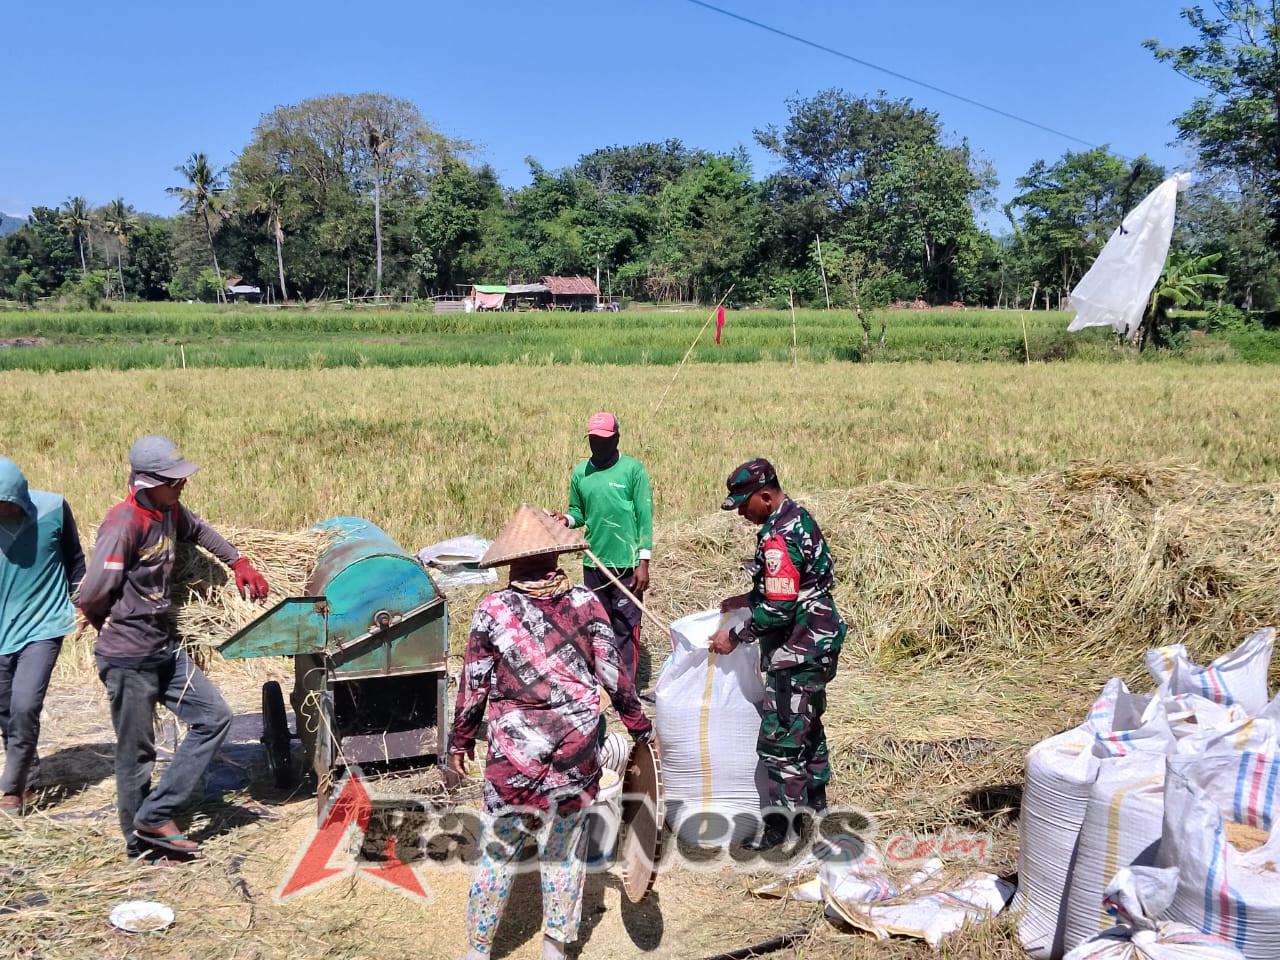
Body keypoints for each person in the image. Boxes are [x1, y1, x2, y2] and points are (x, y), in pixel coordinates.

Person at [448, 504, 653, 960]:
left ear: (513, 562)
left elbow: (473, 685)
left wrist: (459, 742)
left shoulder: (493, 611)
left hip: (513, 757)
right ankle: (554, 948)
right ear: (556, 555)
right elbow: (615, 677)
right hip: (574, 752)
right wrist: (640, 729)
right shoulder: (586, 603)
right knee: (563, 850)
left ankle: (479, 950)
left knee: (498, 850)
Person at [76, 435, 269, 859]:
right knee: (136, 752)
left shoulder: (169, 511)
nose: (182, 484)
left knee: (215, 717)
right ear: (147, 482)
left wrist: (238, 561)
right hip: (128, 657)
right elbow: (92, 592)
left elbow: (199, 531)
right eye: (173, 480)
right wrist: (103, 621)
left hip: (164, 647)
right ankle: (140, 845)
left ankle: (155, 814)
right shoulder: (123, 525)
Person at [709, 458, 846, 851]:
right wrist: (747, 598)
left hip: (797, 653)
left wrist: (735, 637)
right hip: (819, 644)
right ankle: (816, 812)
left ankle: (782, 833)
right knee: (808, 730)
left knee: (781, 742)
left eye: (744, 504)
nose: (740, 513)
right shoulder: (798, 518)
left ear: (766, 497)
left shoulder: (777, 538)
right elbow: (796, 585)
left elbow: (779, 609)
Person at [0, 458, 86, 815]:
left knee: (24, 705)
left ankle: (11, 790)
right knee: (5, 708)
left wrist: (82, 606)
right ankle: (29, 777)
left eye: (6, 503)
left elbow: (75, 562)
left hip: (44, 624)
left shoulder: (53, 508)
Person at [551, 412, 654, 683]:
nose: (598, 445)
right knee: (598, 629)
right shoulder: (580, 473)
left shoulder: (633, 470)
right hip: (594, 564)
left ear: (616, 439)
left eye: (604, 440)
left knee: (625, 628)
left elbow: (644, 516)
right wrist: (566, 520)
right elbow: (579, 512)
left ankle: (626, 690)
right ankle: (603, 686)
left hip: (627, 565)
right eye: (593, 439)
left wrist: (643, 561)